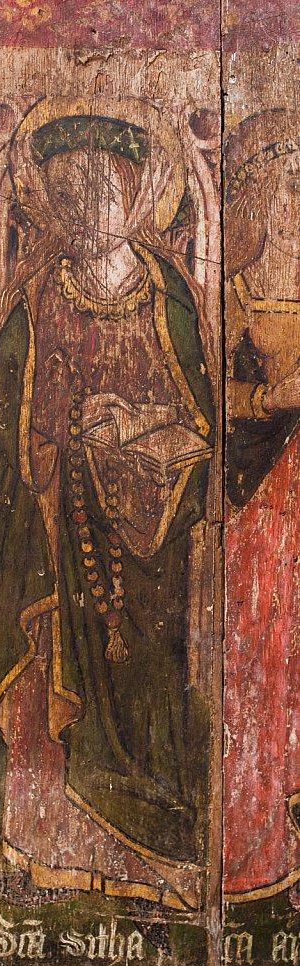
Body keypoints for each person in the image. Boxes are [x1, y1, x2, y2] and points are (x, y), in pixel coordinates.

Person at [0, 98, 215, 912]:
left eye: (102, 191)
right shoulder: (37, 299)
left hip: (158, 545)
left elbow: (204, 415)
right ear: (49, 205)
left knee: (153, 700)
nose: (88, 209)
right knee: (54, 698)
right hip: (62, 541)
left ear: (135, 191)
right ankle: (55, 853)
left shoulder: (170, 298)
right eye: (68, 195)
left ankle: (160, 858)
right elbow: (1, 429)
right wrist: (62, 430)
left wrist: (144, 433)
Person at [223, 110, 300, 908]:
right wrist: (269, 393)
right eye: (289, 180)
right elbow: (202, 394)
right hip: (262, 504)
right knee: (261, 667)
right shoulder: (231, 294)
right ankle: (259, 847)